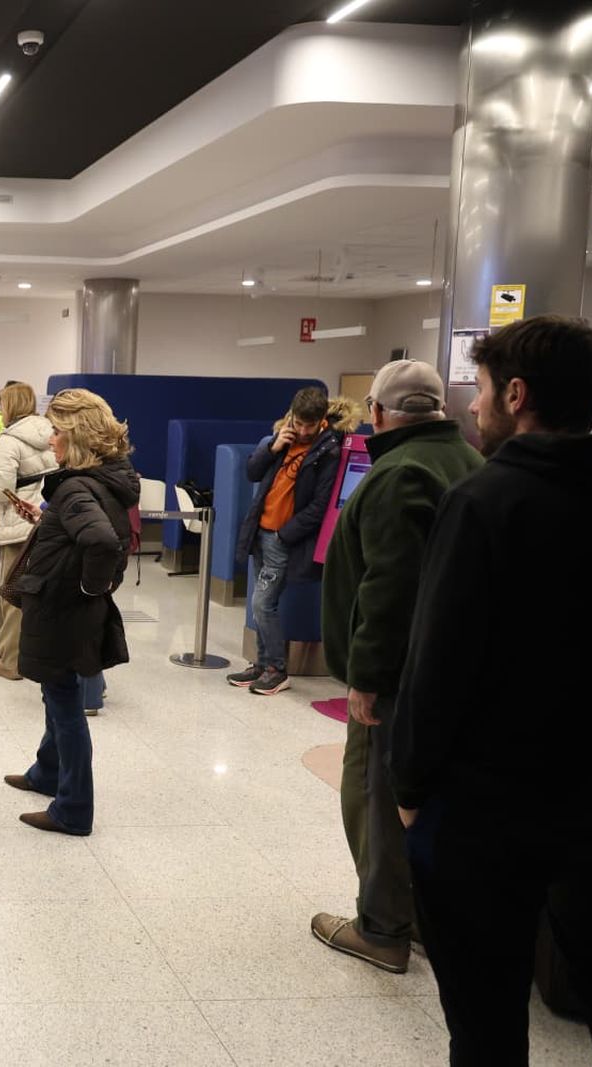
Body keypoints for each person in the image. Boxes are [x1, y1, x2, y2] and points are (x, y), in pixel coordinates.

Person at [392, 316, 592, 1064]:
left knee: (486, 1019)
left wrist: (411, 781)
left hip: (489, 807)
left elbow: (440, 660)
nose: (474, 408)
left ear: (516, 394)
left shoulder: (487, 503)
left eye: (482, 390)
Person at [313, 361, 481, 975]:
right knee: (427, 799)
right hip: (447, 673)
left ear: (378, 414)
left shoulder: (397, 472)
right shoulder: (468, 461)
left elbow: (392, 586)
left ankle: (382, 926)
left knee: (374, 794)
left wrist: (369, 676)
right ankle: (421, 917)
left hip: (399, 678)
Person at [1, 388, 138, 835]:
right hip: (70, 607)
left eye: (56, 432)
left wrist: (89, 586)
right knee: (55, 693)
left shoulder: (77, 487)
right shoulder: (104, 479)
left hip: (63, 607)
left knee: (64, 705)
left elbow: (100, 541)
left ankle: (73, 808)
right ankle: (47, 771)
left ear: (76, 436)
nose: (50, 440)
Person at [227, 386, 342, 696]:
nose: (303, 431)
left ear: (321, 421)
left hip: (282, 537)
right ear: (291, 416)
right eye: (298, 423)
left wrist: (284, 534)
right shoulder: (279, 440)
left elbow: (320, 506)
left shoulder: (328, 451)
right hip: (260, 531)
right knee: (260, 603)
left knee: (263, 604)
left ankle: (277, 669)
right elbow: (252, 471)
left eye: (310, 425)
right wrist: (274, 447)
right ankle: (262, 664)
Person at [0, 382, 55, 681]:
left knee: (13, 593)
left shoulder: (10, 439)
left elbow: (2, 489)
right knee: (41, 593)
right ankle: (39, 656)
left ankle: (10, 661)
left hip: (18, 522)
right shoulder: (51, 430)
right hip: (47, 517)